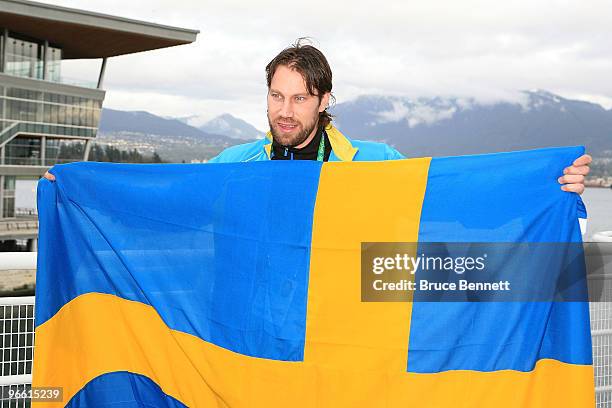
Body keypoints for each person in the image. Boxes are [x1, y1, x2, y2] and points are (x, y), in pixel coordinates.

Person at [44, 40, 591, 194]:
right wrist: (77, 186)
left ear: (324, 101)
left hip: (338, 326)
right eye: (276, 96)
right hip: (256, 333)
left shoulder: (376, 163)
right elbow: (165, 192)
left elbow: (455, 193)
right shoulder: (236, 162)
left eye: (299, 98)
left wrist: (547, 182)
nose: (284, 111)